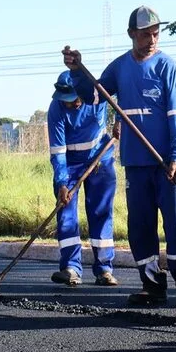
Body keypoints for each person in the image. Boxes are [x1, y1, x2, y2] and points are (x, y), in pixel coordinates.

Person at [63, 6, 176, 307]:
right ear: (131, 35)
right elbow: (95, 96)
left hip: (168, 162)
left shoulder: (168, 67)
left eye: (155, 34)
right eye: (144, 35)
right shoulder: (120, 67)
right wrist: (77, 71)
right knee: (140, 225)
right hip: (136, 163)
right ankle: (152, 285)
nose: (151, 40)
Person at [47, 71, 119, 287]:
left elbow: (123, 92)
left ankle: (104, 270)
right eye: (66, 102)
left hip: (100, 158)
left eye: (74, 100)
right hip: (69, 164)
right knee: (66, 214)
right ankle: (71, 268)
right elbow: (58, 152)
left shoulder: (97, 96)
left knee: (101, 212)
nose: (71, 105)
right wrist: (61, 183)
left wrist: (119, 122)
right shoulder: (55, 109)